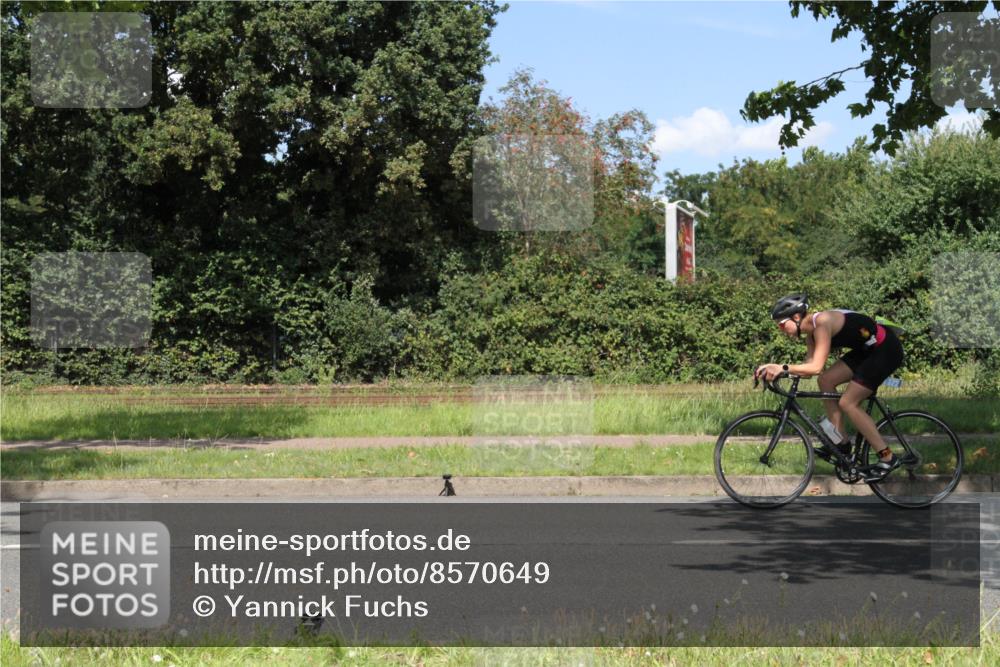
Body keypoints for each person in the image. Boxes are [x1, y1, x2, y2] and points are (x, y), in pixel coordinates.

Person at [755, 294, 905, 482]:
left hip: (885, 349)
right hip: (866, 351)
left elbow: (816, 366)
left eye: (781, 323)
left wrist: (782, 367)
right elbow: (810, 371)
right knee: (826, 380)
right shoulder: (810, 335)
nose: (780, 329)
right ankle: (841, 441)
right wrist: (777, 371)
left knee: (848, 402)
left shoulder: (822, 324)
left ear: (796, 317)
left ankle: (887, 457)